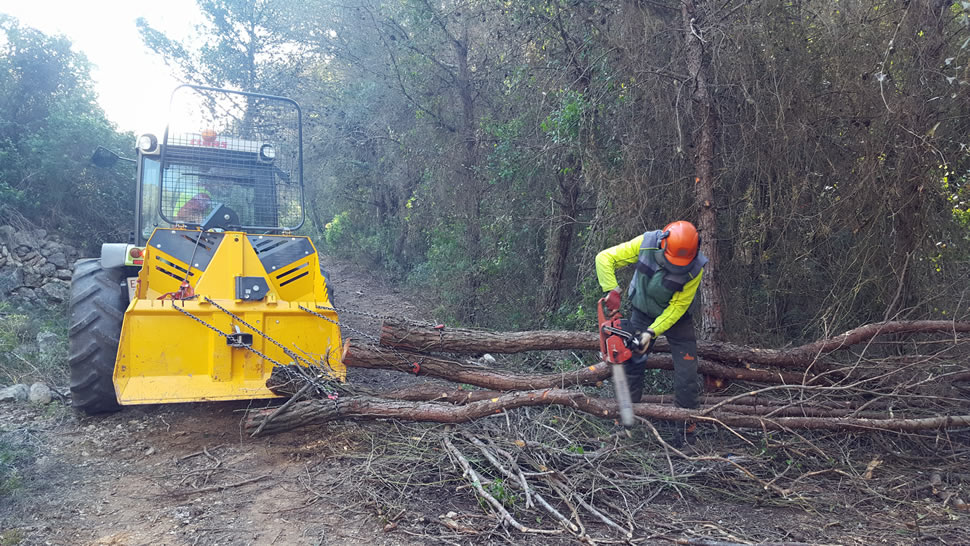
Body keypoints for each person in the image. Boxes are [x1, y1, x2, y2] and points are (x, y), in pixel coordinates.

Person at [595, 221, 707, 443]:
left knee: (687, 373)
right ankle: (626, 423)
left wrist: (652, 332)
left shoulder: (695, 268)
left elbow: (677, 308)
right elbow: (604, 258)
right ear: (663, 243)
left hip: (678, 319)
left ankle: (686, 430)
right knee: (633, 365)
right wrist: (611, 290)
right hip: (642, 311)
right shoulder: (646, 243)